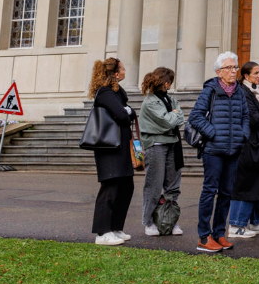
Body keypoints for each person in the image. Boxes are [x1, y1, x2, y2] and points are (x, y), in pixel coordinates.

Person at [190, 51, 249, 253]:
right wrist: (213, 133)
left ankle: (219, 233)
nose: (233, 71)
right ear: (219, 71)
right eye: (229, 68)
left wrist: (243, 134)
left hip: (234, 150)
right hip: (214, 150)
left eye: (235, 67)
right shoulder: (210, 90)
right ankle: (204, 236)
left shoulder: (239, 91)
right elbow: (196, 117)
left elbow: (245, 116)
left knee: (226, 193)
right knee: (209, 191)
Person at [229, 61, 259, 239]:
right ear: (246, 75)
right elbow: (253, 119)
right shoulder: (243, 92)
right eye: (255, 73)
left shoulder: (254, 91)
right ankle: (236, 225)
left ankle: (257, 221)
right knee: (246, 185)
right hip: (250, 147)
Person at [88, 58, 134, 246]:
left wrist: (127, 111)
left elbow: (127, 112)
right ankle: (102, 232)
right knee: (110, 188)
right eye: (122, 69)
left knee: (126, 187)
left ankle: (115, 228)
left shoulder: (117, 93)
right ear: (115, 74)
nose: (125, 71)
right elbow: (124, 115)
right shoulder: (105, 92)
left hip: (120, 146)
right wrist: (127, 111)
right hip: (108, 147)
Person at [138, 66, 185, 236]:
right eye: (170, 81)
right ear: (166, 83)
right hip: (156, 145)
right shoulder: (150, 102)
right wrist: (174, 116)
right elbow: (169, 122)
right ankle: (148, 222)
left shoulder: (171, 100)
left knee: (173, 186)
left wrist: (174, 116)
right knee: (154, 185)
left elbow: (179, 118)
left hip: (172, 144)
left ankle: (170, 220)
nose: (171, 84)